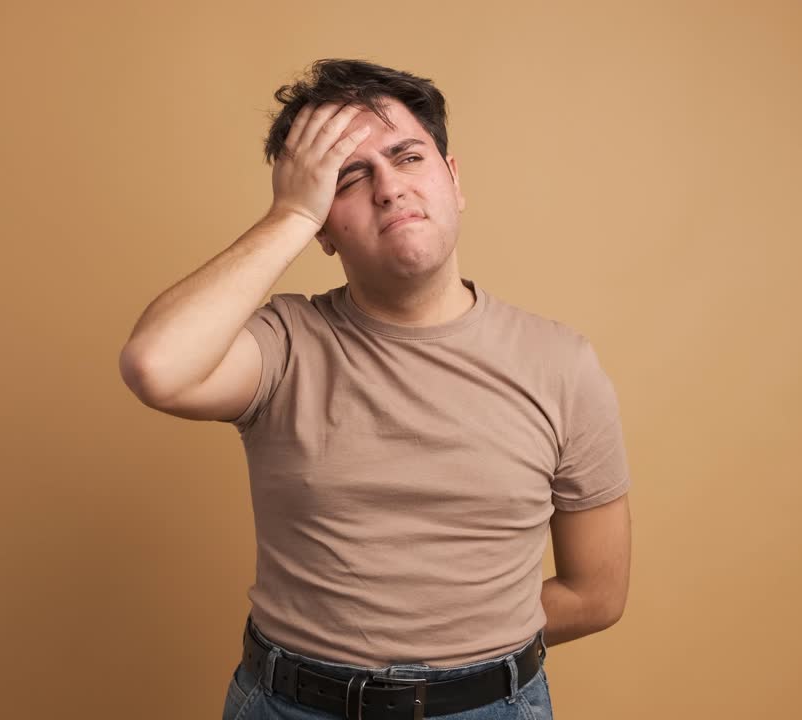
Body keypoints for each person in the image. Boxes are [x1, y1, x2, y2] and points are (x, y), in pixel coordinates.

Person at [119, 58, 632, 719]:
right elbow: (156, 366)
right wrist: (290, 211)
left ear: (453, 179)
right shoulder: (285, 344)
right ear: (323, 232)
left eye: (408, 157)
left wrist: (459, 655)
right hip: (290, 706)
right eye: (348, 179)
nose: (388, 188)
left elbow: (599, 594)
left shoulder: (562, 364)